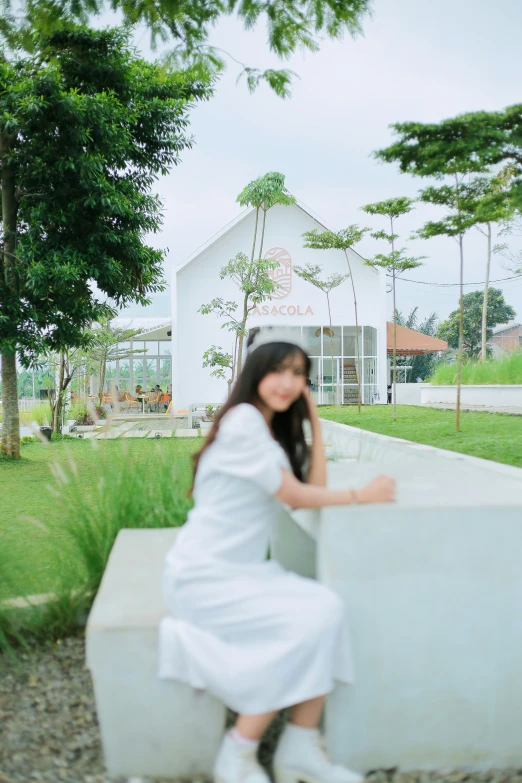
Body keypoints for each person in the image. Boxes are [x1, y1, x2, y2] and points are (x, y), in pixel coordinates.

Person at [159, 327, 395, 783]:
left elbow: (312, 488)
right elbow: (298, 496)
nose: (289, 382)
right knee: (307, 622)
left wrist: (316, 423)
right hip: (204, 576)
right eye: (279, 371)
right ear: (256, 374)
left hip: (242, 573)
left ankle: (299, 747)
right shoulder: (244, 421)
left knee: (325, 610)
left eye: (299, 374)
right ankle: (239, 750)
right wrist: (363, 495)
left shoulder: (266, 431)